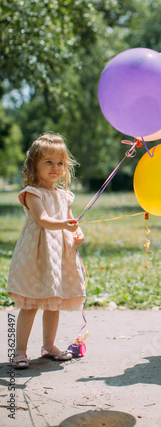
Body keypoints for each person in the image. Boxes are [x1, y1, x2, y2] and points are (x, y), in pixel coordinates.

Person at [7, 133, 86, 369]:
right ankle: (20, 351)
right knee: (31, 303)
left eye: (60, 162)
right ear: (35, 166)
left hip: (58, 255)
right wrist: (64, 225)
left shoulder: (64, 195)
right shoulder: (33, 193)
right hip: (38, 254)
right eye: (48, 162)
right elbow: (43, 220)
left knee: (54, 301)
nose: (55, 167)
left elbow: (71, 221)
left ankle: (49, 346)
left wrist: (77, 233)